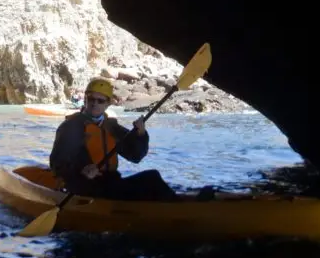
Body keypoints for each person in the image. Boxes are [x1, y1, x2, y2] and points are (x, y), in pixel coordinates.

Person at [50, 78, 211, 201]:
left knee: (151, 176)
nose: (94, 104)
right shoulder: (71, 127)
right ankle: (178, 208)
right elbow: (57, 164)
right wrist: (81, 171)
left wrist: (140, 134)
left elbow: (135, 155)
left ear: (108, 103)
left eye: (100, 101)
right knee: (151, 179)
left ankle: (177, 204)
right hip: (83, 185)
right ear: (85, 99)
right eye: (91, 99)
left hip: (108, 183)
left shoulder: (111, 127)